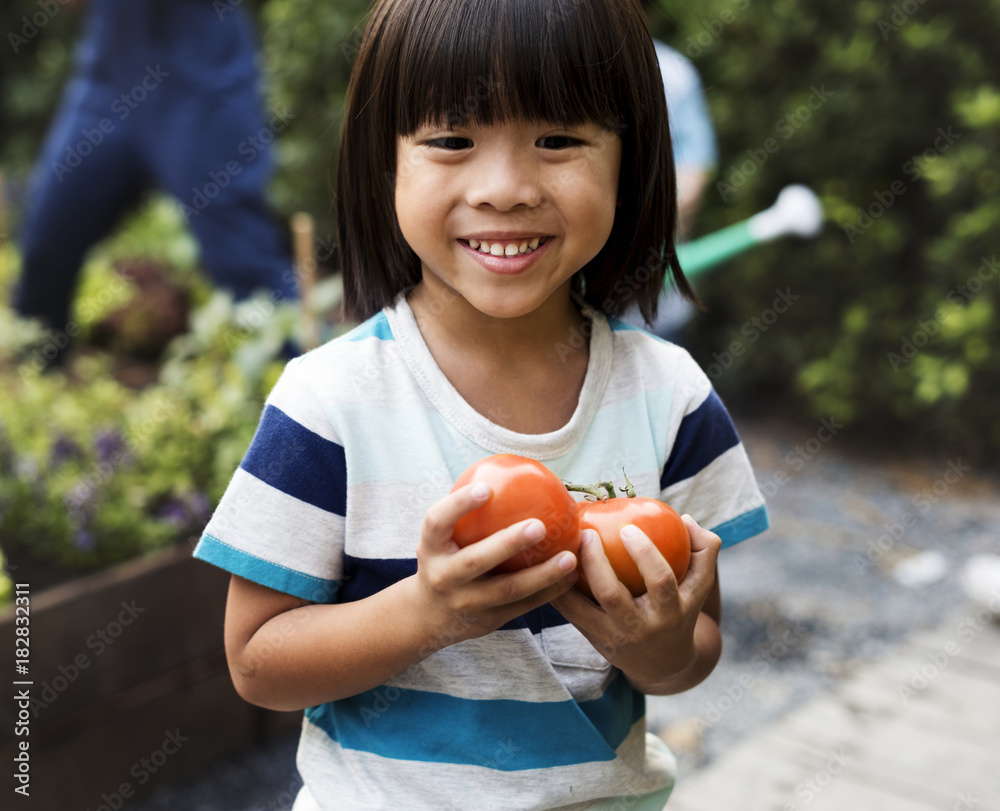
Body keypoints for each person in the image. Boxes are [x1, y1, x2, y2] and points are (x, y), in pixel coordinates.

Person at [193, 1, 768, 808]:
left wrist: (657, 643)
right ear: (383, 163)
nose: (505, 189)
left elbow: (693, 651)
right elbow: (257, 661)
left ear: (631, 160)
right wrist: (429, 611)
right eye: (453, 141)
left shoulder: (671, 399)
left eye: (559, 140)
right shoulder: (331, 403)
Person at [12, 0, 297, 359]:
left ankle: (305, 390)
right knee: (46, 246)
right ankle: (35, 377)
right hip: (109, 80)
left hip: (203, 83)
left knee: (244, 265)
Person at [629, 0, 720, 340]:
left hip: (655, 310)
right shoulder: (557, 69)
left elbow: (693, 172)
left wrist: (633, 235)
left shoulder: (674, 74)